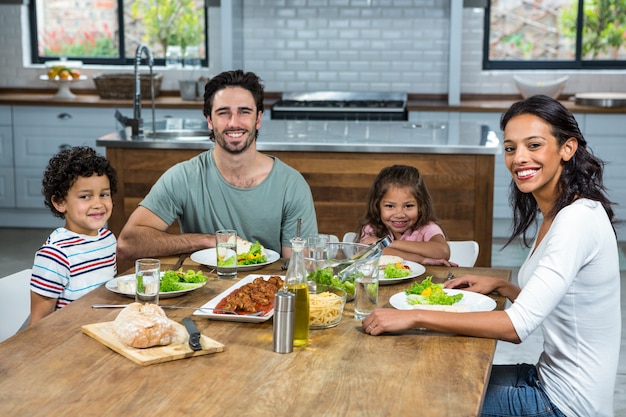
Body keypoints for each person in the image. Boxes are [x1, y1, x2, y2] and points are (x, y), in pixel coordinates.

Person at [362, 95, 621, 417]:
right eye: (511, 148)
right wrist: (504, 286)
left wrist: (413, 316)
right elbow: (564, 302)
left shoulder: (575, 221)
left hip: (562, 404)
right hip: (547, 379)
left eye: (534, 145)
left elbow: (516, 328)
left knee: (409, 394)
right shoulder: (566, 212)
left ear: (567, 148)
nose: (519, 158)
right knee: (423, 370)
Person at [116, 70, 317, 261]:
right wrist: (208, 241)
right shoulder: (184, 177)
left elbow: (298, 268)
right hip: (201, 293)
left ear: (259, 119)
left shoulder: (291, 185)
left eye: (244, 112)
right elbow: (127, 244)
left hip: (265, 293)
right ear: (210, 121)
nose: (233, 122)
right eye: (223, 113)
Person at [29, 146, 118, 325]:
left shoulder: (108, 239)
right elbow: (38, 325)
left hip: (102, 329)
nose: (98, 203)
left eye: (104, 194)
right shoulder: (55, 254)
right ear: (60, 202)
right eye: (85, 196)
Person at [356, 164, 454, 266]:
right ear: (377, 206)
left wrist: (389, 243)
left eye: (408, 206)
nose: (399, 214)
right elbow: (370, 254)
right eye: (390, 206)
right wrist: (421, 259)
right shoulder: (371, 228)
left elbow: (443, 252)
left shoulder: (427, 228)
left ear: (420, 206)